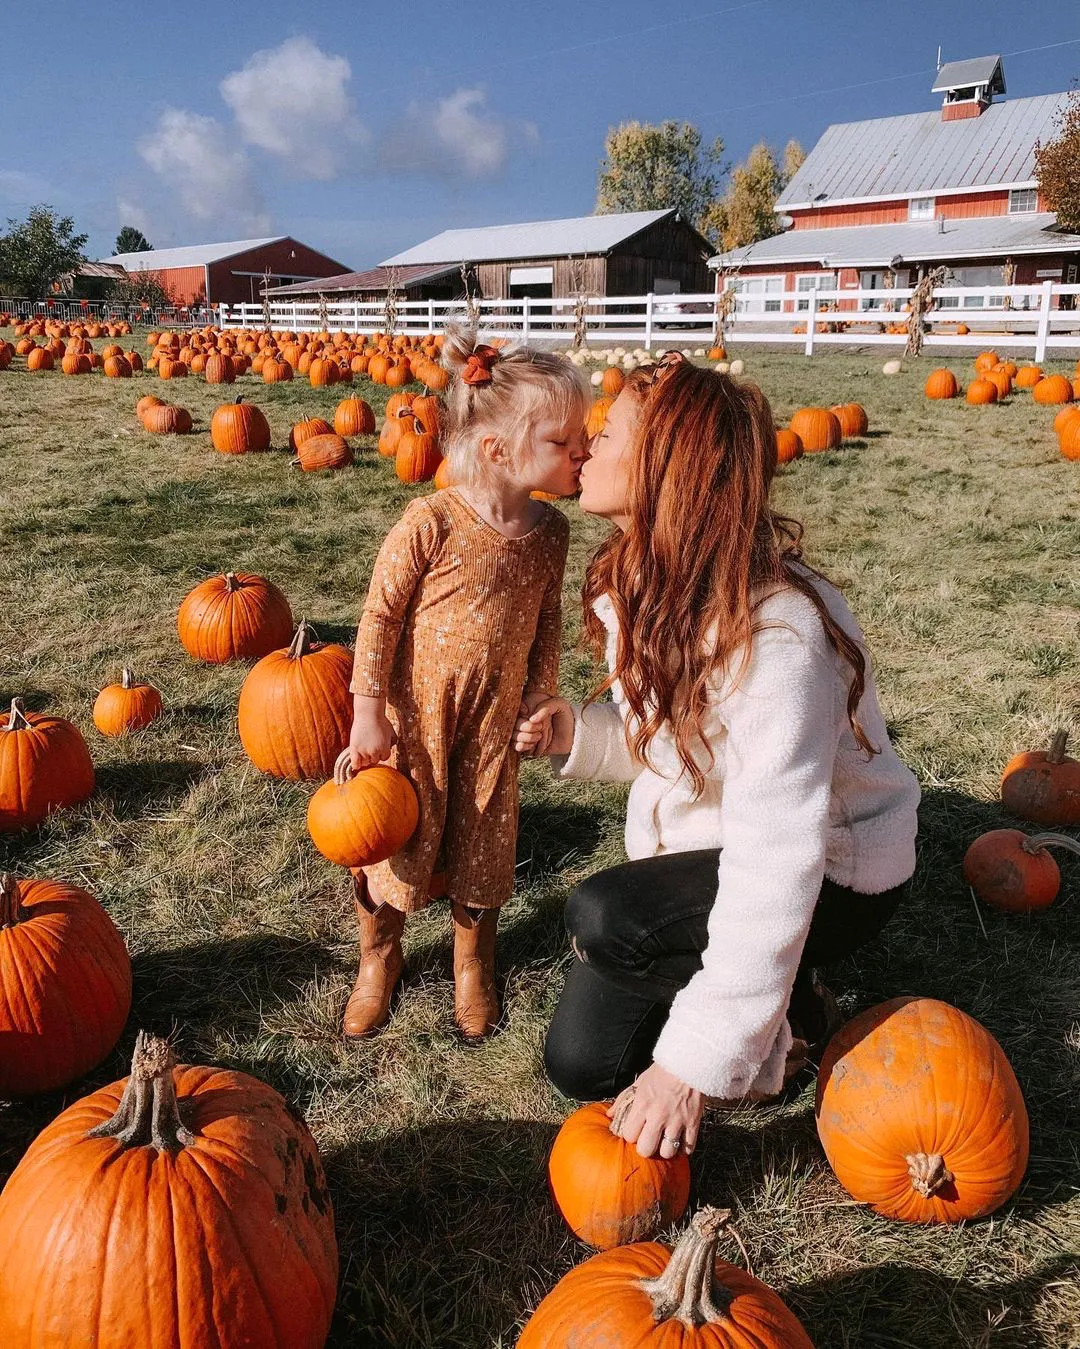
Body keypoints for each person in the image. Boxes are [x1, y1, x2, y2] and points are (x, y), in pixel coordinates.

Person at [515, 352, 920, 1160]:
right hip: (727, 849)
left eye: (611, 431)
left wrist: (692, 1069)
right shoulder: (646, 580)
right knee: (583, 1066)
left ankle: (779, 1010)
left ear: (671, 468)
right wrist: (581, 735)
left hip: (833, 869)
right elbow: (674, 741)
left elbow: (779, 859)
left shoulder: (780, 636)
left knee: (607, 915)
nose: (587, 443)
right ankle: (789, 1001)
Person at [342, 333, 589, 1043]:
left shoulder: (550, 534)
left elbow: (547, 622)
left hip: (492, 725)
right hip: (417, 720)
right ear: (499, 451)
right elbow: (380, 617)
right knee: (396, 840)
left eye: (582, 436)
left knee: (484, 842)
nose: (582, 449)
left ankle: (473, 964)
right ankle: (378, 955)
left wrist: (541, 698)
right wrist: (368, 713)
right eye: (562, 439)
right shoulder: (433, 522)